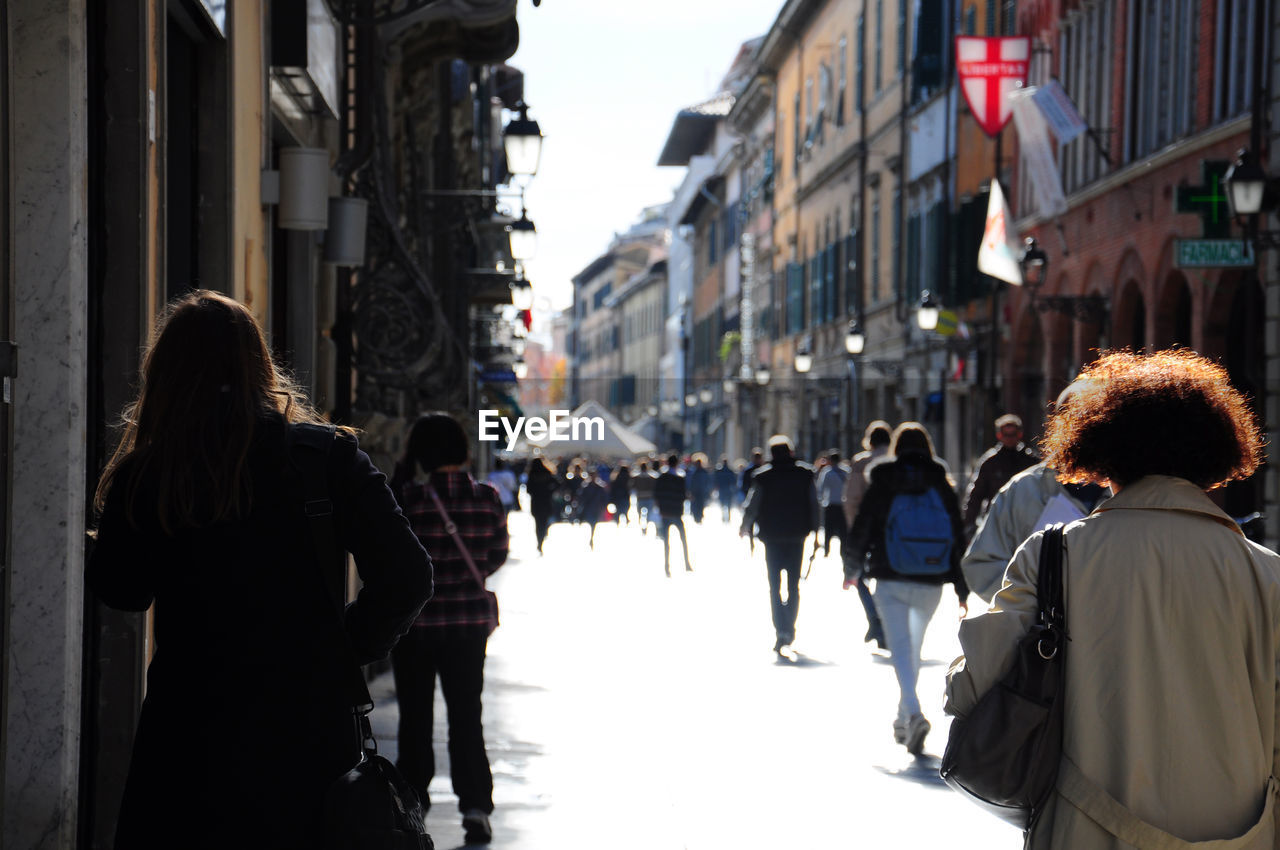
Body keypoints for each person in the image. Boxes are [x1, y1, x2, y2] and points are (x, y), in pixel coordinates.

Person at [86, 291, 433, 849]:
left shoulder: (152, 471)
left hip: (190, 729)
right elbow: (409, 576)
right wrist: (342, 649)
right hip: (309, 729)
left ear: (166, 373)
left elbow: (121, 589)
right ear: (259, 363)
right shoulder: (327, 458)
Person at [946, 350, 1278, 849]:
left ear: (1100, 450)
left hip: (1085, 828)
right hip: (1242, 834)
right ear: (1217, 454)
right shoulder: (1267, 573)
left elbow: (973, 690)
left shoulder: (1054, 555)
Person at [389, 413, 509, 845]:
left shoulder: (411, 500)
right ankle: (475, 806)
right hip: (467, 628)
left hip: (416, 628)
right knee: (466, 716)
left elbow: (397, 561)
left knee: (415, 719)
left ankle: (413, 804)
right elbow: (495, 555)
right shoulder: (487, 498)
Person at [845, 422, 968, 755]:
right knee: (911, 649)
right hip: (931, 578)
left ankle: (913, 713)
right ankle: (903, 718)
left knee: (902, 649)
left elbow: (863, 526)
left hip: (889, 575)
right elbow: (958, 534)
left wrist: (851, 568)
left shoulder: (883, 479)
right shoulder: (940, 481)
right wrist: (962, 587)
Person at [960, 385, 1108, 602]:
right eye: (1077, 422)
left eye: (1098, 423)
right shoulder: (1019, 487)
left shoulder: (1134, 491)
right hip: (1043, 630)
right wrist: (1032, 602)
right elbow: (983, 564)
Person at [740, 435, 820, 654]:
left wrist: (745, 526)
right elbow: (815, 504)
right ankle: (789, 628)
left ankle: (781, 630)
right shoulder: (805, 474)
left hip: (771, 536)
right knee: (793, 585)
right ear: (791, 453)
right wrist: (816, 531)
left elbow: (752, 505)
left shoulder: (763, 476)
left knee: (774, 586)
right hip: (797, 535)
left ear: (771, 454)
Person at [842, 420, 893, 649]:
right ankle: (884, 622)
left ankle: (874, 618)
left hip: (868, 530)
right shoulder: (897, 460)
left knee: (860, 576)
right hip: (894, 530)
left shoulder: (861, 462)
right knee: (889, 577)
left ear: (869, 441)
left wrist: (855, 530)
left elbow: (851, 500)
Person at [960, 413, 1040, 536]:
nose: (1009, 438)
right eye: (1006, 435)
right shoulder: (990, 462)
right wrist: (969, 525)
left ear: (1019, 434)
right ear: (999, 435)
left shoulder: (1031, 461)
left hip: (1026, 521)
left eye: (1013, 434)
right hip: (996, 521)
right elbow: (976, 496)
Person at [654, 454, 692, 576]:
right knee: (683, 539)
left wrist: (660, 507)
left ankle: (667, 566)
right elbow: (683, 495)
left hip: (665, 512)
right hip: (676, 512)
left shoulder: (661, 477)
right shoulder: (680, 478)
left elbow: (656, 494)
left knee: (666, 541)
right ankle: (686, 563)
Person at [816, 449, 848, 556]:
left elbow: (821, 489)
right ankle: (843, 549)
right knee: (843, 530)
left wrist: (820, 501)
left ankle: (826, 549)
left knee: (828, 529)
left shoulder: (827, 472)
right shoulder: (846, 471)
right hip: (843, 505)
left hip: (830, 504)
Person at [525, 455, 558, 554]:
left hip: (536, 503)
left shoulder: (532, 475)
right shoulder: (547, 473)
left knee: (538, 524)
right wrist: (549, 491)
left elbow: (528, 490)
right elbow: (557, 484)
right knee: (544, 523)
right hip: (546, 502)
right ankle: (541, 539)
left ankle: (539, 541)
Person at [576, 469, 609, 549]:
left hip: (596, 508)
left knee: (593, 523)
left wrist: (603, 507)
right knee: (592, 522)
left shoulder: (599, 487)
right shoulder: (586, 486)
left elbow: (604, 499)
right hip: (589, 508)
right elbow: (581, 498)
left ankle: (591, 536)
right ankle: (591, 537)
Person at [632, 458, 659, 534]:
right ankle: (646, 525)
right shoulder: (652, 477)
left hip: (640, 497)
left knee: (640, 514)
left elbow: (632, 487)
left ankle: (642, 526)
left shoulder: (636, 477)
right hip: (649, 498)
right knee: (649, 514)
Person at [687, 453, 713, 524]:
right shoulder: (694, 472)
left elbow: (708, 482)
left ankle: (699, 517)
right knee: (697, 505)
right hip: (698, 491)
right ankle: (697, 517)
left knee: (700, 505)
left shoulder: (700, 472)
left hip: (701, 492)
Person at [714, 456, 737, 523]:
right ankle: (728, 516)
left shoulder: (719, 471)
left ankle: (724, 516)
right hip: (728, 489)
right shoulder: (730, 471)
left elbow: (716, 480)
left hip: (722, 489)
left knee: (722, 504)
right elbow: (733, 481)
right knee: (728, 504)